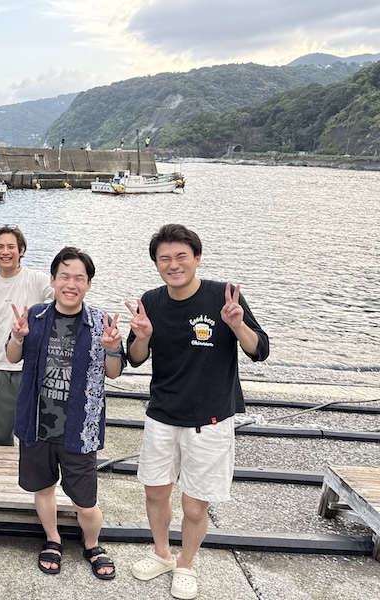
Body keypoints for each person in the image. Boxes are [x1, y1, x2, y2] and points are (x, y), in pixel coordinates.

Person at [125, 224, 269, 600]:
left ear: (197, 258)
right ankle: (162, 554)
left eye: (181, 256)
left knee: (193, 505)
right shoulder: (151, 300)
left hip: (210, 417)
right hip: (162, 413)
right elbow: (135, 359)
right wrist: (142, 336)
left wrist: (237, 325)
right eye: (164, 258)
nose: (173, 265)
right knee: (156, 492)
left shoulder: (224, 295)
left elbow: (259, 350)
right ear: (156, 264)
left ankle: (186, 564)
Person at [7, 246, 124, 581]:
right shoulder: (35, 316)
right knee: (43, 488)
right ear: (53, 280)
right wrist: (17, 336)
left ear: (88, 284)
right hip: (37, 424)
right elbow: (12, 357)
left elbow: (114, 372)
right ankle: (53, 539)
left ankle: (92, 544)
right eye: (64, 276)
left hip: (80, 428)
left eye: (79, 278)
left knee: (85, 502)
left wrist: (112, 348)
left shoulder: (100, 322)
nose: (71, 284)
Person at [0, 225, 53, 445]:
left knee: (35, 432)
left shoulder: (36, 279)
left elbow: (64, 296)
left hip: (32, 366)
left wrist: (69, 263)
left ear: (21, 250)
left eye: (11, 247)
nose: (5, 252)